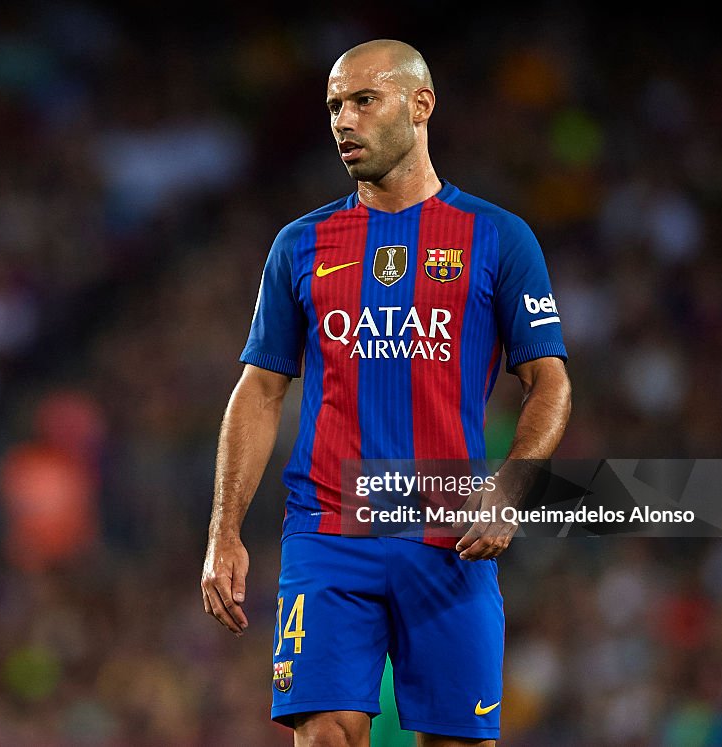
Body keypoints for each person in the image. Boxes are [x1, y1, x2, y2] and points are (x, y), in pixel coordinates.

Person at [201, 39, 571, 747]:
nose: (344, 119)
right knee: (327, 732)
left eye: (363, 100)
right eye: (335, 105)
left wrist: (515, 483)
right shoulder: (300, 244)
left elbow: (549, 380)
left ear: (420, 104)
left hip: (451, 535)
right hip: (328, 530)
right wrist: (224, 531)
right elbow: (260, 389)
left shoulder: (497, 238)